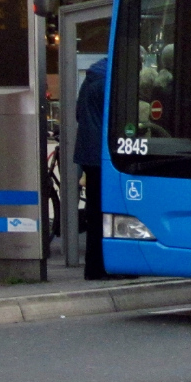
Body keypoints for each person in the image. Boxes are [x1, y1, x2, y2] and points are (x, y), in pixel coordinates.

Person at [74, 58, 109, 280]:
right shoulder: (108, 82)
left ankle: (93, 266)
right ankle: (99, 267)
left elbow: (79, 114)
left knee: (95, 211)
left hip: (87, 152)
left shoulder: (91, 79)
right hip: (103, 154)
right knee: (104, 212)